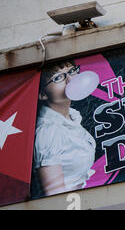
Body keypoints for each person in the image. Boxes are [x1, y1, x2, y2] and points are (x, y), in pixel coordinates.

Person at [32, 60, 96, 197]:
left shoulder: (71, 117)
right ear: (42, 94)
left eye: (72, 71)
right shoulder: (48, 131)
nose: (71, 80)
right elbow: (55, 195)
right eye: (58, 77)